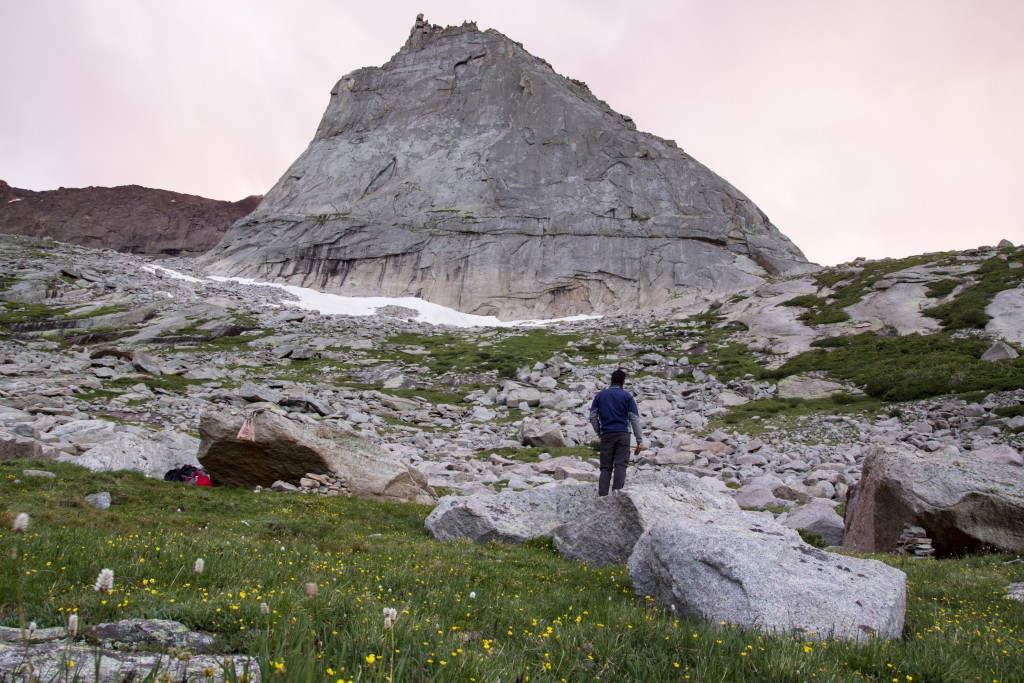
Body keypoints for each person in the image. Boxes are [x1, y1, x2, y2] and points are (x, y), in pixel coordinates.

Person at [589, 368, 644, 496]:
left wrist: (599, 432)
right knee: (621, 465)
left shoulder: (600, 396)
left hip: (606, 434)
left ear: (611, 381)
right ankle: (617, 494)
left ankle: (602, 495)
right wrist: (639, 439)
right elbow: (634, 418)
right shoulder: (627, 396)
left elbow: (592, 417)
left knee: (606, 466)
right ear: (623, 382)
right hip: (623, 434)